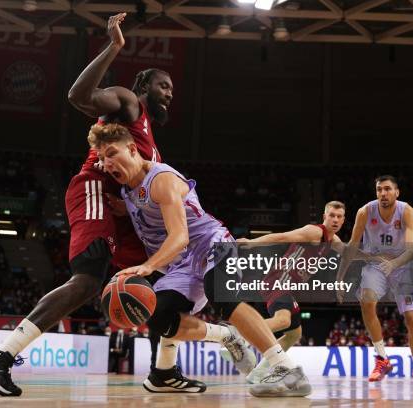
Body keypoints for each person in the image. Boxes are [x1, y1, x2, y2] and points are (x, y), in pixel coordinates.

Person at [0, 12, 178, 397]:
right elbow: (78, 96)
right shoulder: (130, 103)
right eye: (163, 86)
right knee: (86, 281)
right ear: (145, 85)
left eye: (171, 89)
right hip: (94, 190)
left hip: (122, 212)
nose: (169, 93)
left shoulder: (150, 141)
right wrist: (114, 46)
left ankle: (164, 370)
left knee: (168, 275)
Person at [93, 123, 312, 398]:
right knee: (159, 316)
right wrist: (126, 209)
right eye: (102, 158)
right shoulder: (128, 188)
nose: (107, 162)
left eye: (112, 153)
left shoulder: (162, 180)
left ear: (133, 148)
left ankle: (286, 368)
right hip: (180, 265)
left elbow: (180, 237)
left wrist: (148, 266)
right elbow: (145, 205)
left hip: (213, 244)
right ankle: (220, 339)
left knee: (221, 295)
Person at [223, 201, 347, 383]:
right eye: (332, 215)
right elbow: (282, 237)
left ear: (343, 220)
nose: (335, 219)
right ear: (324, 217)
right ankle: (236, 342)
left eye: (339, 217)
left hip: (288, 286)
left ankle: (258, 372)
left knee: (294, 334)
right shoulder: (314, 232)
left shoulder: (333, 241)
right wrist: (253, 242)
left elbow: (351, 253)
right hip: (279, 279)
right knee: (283, 320)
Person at [337, 175, 413, 387]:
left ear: (397, 192)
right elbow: (351, 246)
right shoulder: (365, 212)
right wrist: (339, 277)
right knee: (366, 301)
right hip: (375, 264)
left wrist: (395, 264)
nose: (383, 193)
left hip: (403, 264)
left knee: (412, 318)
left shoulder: (407, 211)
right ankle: (382, 359)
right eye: (379, 190)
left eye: (387, 189)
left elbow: (412, 249)